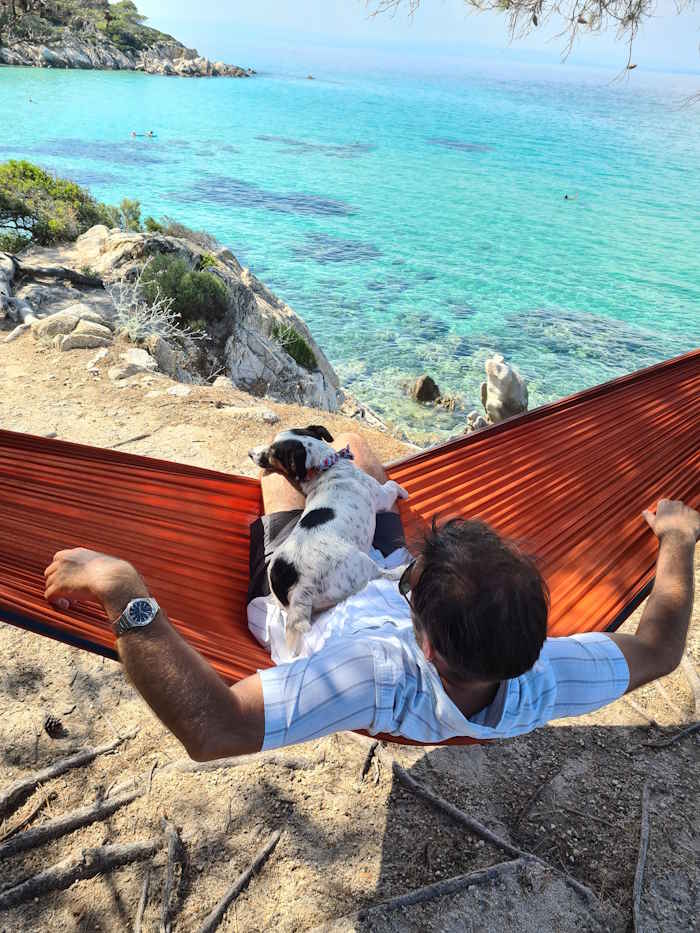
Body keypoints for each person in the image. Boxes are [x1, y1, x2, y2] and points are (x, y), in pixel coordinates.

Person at [43, 433, 699, 761]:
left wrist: (127, 594)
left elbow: (215, 727)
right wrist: (679, 539)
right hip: (373, 568)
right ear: (538, 635)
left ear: (426, 641)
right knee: (365, 456)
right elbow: (659, 648)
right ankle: (329, 463)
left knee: (281, 489)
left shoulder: (378, 679)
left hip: (306, 601)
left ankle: (283, 465)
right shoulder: (543, 678)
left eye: (420, 577)